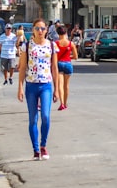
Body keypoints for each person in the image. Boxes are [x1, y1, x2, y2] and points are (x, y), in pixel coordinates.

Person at [17, 17, 59, 160]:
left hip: (46, 85)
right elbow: (22, 68)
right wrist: (20, 88)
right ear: (33, 30)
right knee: (33, 119)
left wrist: (57, 89)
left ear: (46, 30)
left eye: (42, 28)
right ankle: (35, 150)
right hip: (31, 85)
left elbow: (54, 68)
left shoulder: (51, 45)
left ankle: (43, 146)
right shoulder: (27, 46)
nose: (40, 31)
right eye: (37, 28)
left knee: (46, 117)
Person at [56, 25, 78, 110]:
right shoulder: (71, 43)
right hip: (68, 64)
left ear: (58, 33)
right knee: (66, 86)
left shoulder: (56, 43)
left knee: (60, 85)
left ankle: (61, 103)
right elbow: (76, 57)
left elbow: (53, 56)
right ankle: (65, 103)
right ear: (66, 33)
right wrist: (69, 57)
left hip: (59, 64)